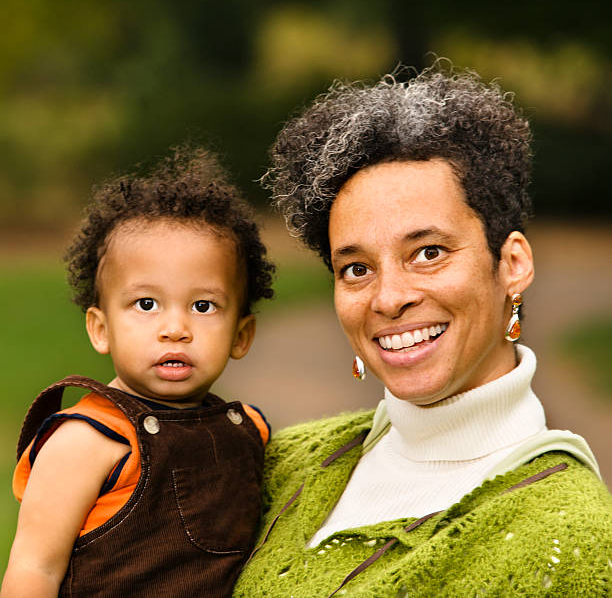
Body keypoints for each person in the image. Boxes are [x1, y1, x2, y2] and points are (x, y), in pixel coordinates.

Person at [234, 65, 612, 596]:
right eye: (357, 269)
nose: (389, 298)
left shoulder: (565, 540)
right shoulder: (284, 463)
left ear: (513, 263)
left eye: (428, 253)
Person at [1, 145, 275, 597]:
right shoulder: (86, 441)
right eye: (146, 304)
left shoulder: (249, 431)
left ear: (241, 335)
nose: (175, 329)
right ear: (101, 328)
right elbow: (35, 568)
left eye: (203, 306)